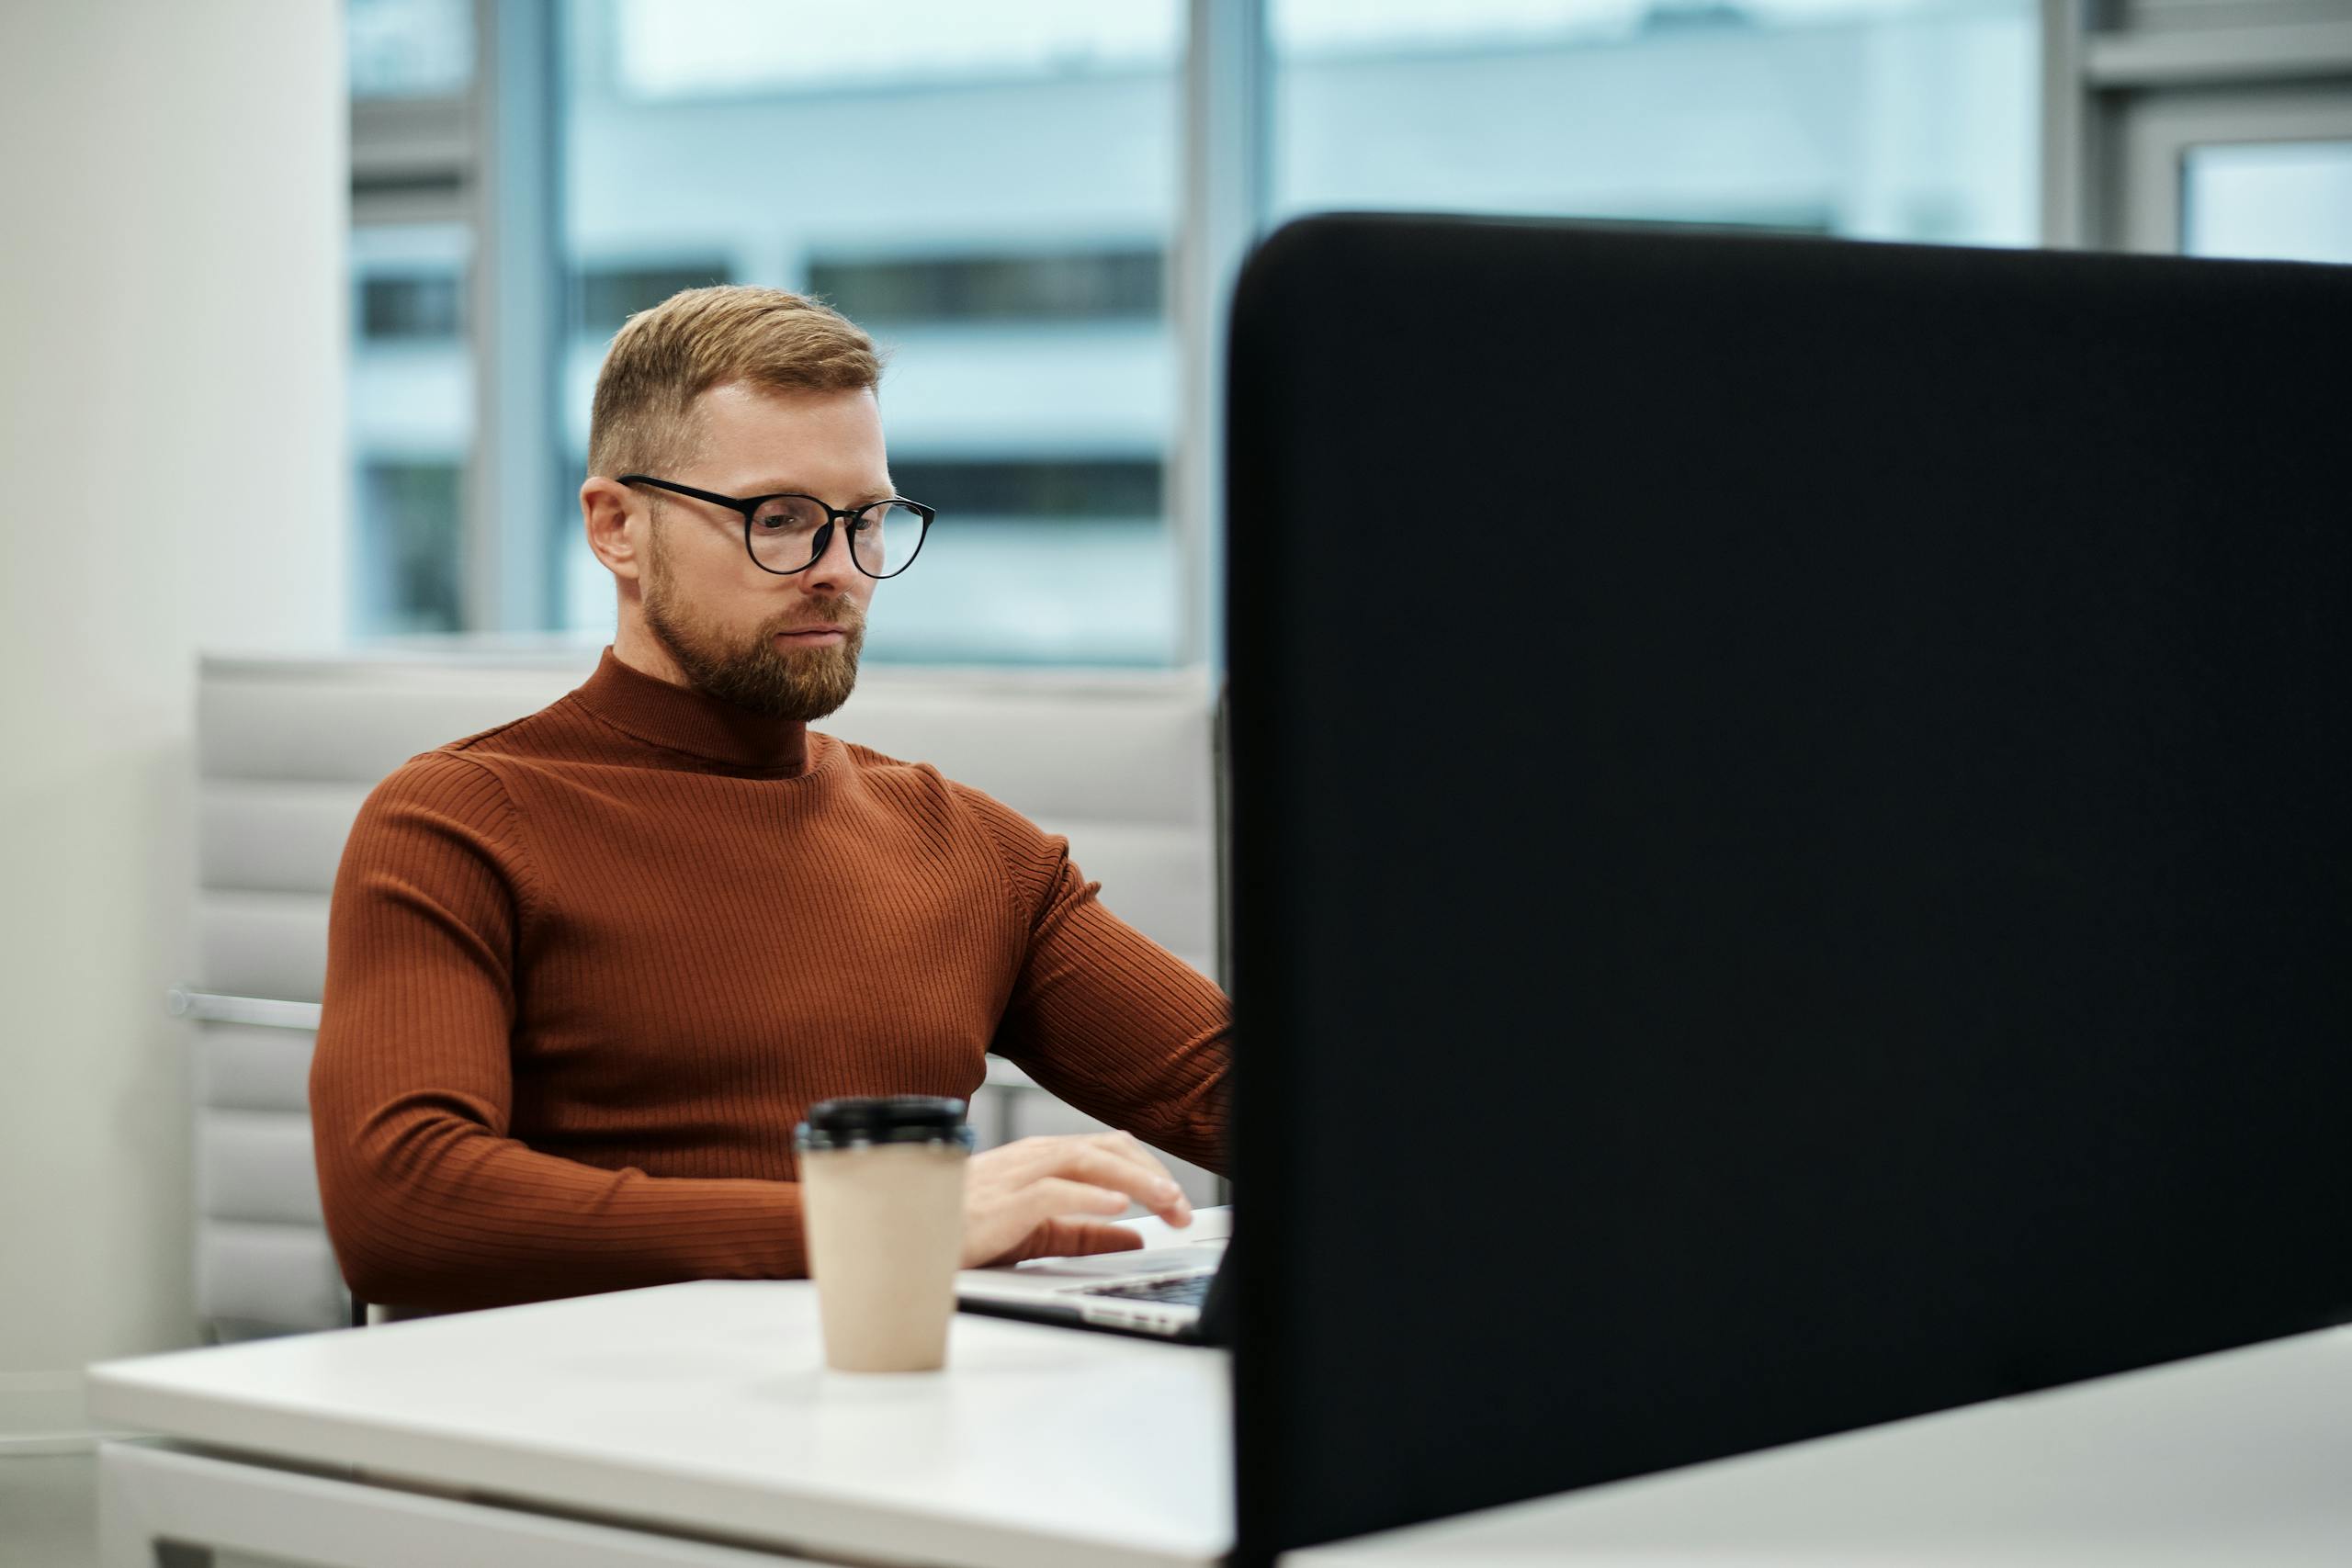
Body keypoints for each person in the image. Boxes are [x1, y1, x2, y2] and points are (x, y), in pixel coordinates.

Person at [310, 287, 1228, 1314]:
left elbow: (1265, 1102)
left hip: (909, 1421)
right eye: (779, 519)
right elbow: (402, 1209)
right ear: (616, 527)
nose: (838, 571)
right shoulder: (459, 821)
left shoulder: (969, 850)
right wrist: (886, 1226)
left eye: (867, 520)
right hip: (592, 1436)